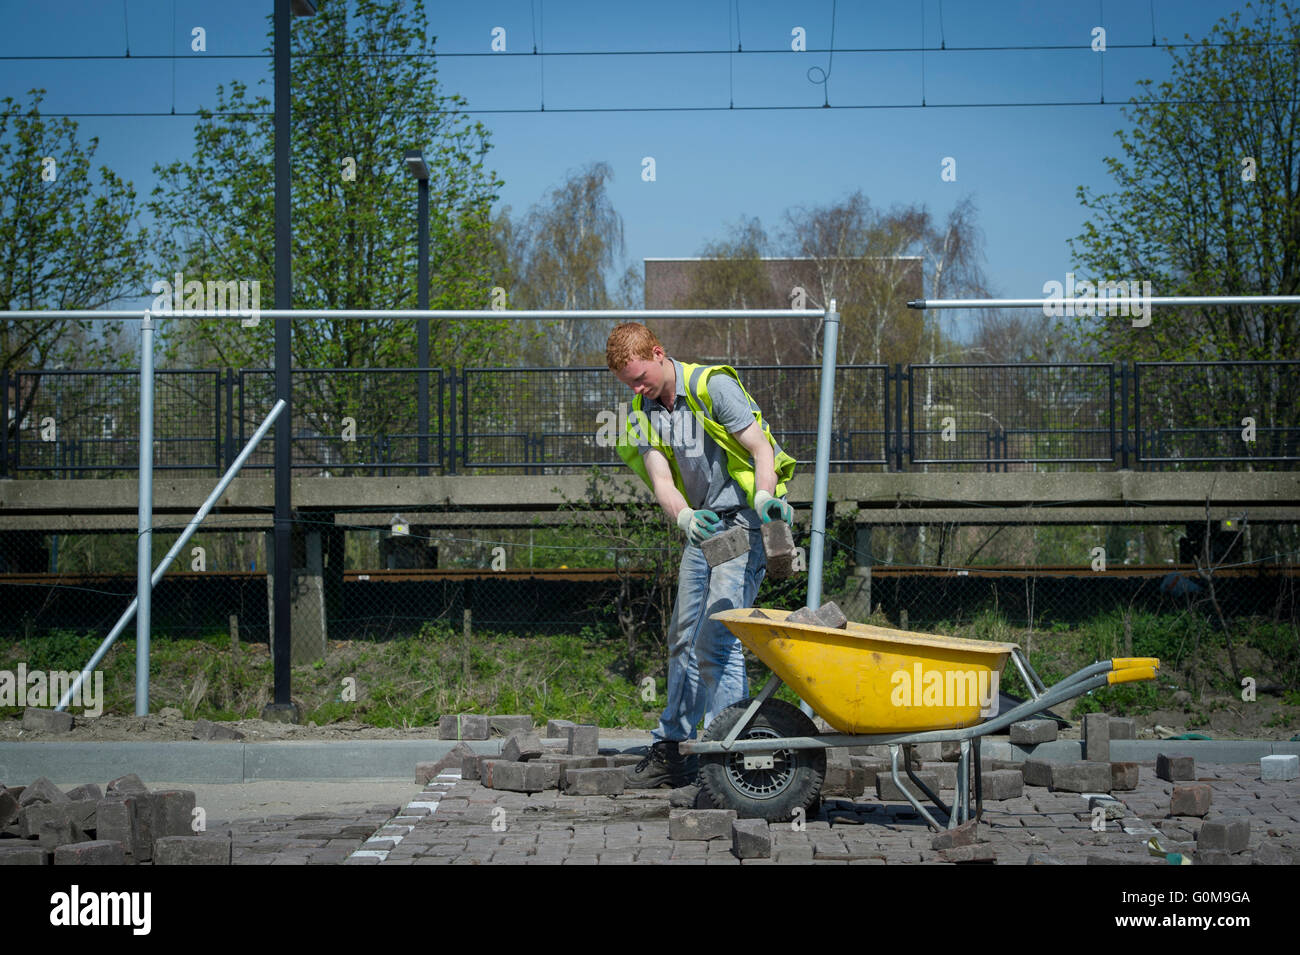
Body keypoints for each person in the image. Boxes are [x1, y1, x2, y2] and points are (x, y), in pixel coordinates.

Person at [605, 322, 796, 788]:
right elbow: (663, 481)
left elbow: (760, 449)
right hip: (706, 529)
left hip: (742, 524)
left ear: (658, 352)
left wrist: (765, 498)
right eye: (628, 383)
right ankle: (674, 747)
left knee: (718, 640)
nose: (637, 388)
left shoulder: (713, 387)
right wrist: (685, 518)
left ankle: (729, 759)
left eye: (640, 377)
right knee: (683, 637)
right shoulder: (642, 409)